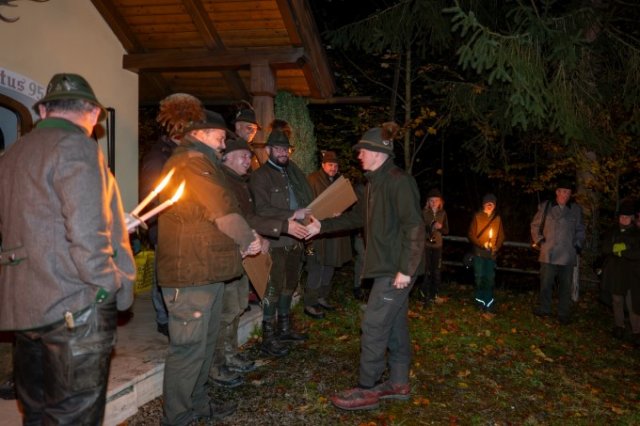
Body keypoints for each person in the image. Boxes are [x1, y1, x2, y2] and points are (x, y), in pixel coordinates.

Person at [0, 73, 136, 424]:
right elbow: (86, 234)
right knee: (74, 416)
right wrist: (107, 284)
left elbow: (31, 223)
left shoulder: (13, 153)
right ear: (92, 113)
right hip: (75, 304)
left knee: (38, 412)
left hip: (27, 305)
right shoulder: (77, 146)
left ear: (43, 110)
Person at [156, 109, 263, 425]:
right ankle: (176, 417)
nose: (223, 141)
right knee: (188, 350)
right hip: (191, 274)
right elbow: (221, 209)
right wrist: (248, 239)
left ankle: (198, 407)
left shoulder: (205, 162)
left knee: (203, 346)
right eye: (219, 135)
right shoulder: (192, 162)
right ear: (200, 134)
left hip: (208, 271)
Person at [308, 122, 425, 411]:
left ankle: (367, 388)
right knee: (394, 325)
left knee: (373, 325)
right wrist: (321, 225)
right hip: (385, 267)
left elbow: (414, 226)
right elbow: (356, 218)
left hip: (396, 269)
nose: (359, 155)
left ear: (378, 152)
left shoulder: (399, 181)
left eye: (363, 150)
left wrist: (406, 269)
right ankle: (398, 382)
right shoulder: (372, 184)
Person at [140, 93, 205, 339]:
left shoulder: (186, 153)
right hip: (165, 227)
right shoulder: (159, 156)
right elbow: (151, 196)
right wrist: (156, 229)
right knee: (163, 274)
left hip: (185, 228)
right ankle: (163, 319)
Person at [249, 124, 314, 351]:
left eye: (286, 149)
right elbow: (260, 210)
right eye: (278, 148)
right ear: (268, 150)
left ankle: (284, 329)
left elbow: (306, 200)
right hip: (275, 240)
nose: (283, 152)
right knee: (273, 287)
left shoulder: (293, 174)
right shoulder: (260, 177)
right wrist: (291, 215)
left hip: (296, 239)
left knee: (290, 284)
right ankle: (268, 335)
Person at [304, 151, 352, 319]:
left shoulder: (339, 182)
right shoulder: (312, 180)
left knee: (330, 265)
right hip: (316, 231)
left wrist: (342, 211)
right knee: (316, 266)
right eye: (330, 165)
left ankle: (321, 297)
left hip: (333, 231)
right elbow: (307, 205)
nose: (333, 168)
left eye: (336, 165)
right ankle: (310, 303)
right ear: (323, 165)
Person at [530, 179, 585, 324]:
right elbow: (535, 225)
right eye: (561, 191)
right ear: (557, 192)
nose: (564, 194)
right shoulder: (546, 206)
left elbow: (580, 230)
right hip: (548, 253)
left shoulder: (575, 210)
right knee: (546, 283)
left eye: (567, 192)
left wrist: (578, 244)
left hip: (567, 254)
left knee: (566, 286)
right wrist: (539, 240)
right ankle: (544, 308)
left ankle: (563, 313)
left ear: (570, 194)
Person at [600, 201, 640, 346]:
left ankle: (637, 331)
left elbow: (637, 253)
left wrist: (621, 251)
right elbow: (605, 248)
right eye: (622, 216)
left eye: (627, 217)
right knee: (617, 300)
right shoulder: (612, 231)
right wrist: (615, 248)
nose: (624, 219)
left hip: (631, 274)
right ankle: (619, 326)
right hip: (615, 272)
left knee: (632, 302)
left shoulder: (637, 233)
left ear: (632, 218)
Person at [468, 193, 505, 312]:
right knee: (479, 277)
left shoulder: (497, 219)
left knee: (489, 279)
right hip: (479, 254)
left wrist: (496, 247)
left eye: (492, 204)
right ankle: (480, 301)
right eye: (488, 203)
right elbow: (471, 234)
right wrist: (481, 244)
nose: (490, 205)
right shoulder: (477, 216)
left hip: (491, 255)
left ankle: (488, 303)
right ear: (484, 204)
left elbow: (501, 236)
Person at [420, 188, 449, 306]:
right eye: (431, 200)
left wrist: (440, 227)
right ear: (428, 201)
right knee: (425, 270)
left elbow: (446, 230)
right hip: (425, 245)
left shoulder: (443, 213)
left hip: (438, 246)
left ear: (440, 202)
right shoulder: (423, 212)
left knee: (436, 271)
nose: (433, 203)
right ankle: (424, 295)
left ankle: (435, 295)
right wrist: (431, 225)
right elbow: (419, 228)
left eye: (436, 200)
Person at [231, 103, 264, 169]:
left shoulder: (248, 147)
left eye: (255, 129)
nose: (253, 132)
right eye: (249, 128)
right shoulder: (231, 147)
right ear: (238, 126)